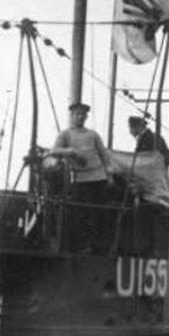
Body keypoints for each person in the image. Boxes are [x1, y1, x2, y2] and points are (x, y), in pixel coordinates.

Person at [50, 102, 114, 250]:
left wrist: (109, 175)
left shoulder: (93, 135)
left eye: (83, 115)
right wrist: (71, 152)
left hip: (98, 178)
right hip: (80, 179)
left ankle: (98, 245)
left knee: (98, 213)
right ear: (72, 116)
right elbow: (54, 151)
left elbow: (104, 155)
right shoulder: (65, 134)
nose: (80, 117)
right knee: (79, 213)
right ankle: (80, 245)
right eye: (77, 114)